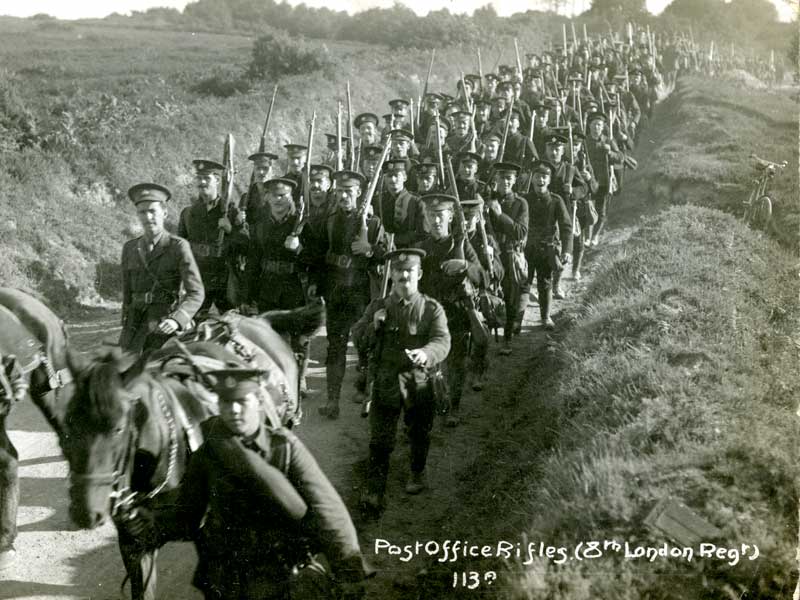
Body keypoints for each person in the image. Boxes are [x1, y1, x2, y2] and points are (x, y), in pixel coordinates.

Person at [119, 368, 372, 600]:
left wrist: (349, 571)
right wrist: (148, 524)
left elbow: (328, 510)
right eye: (226, 403)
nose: (234, 410)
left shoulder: (283, 448)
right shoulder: (207, 454)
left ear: (259, 403)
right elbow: (187, 517)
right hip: (227, 581)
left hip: (282, 578)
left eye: (242, 402)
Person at [352, 249, 451, 514]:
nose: (404, 275)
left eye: (409, 271)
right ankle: (375, 490)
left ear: (418, 274)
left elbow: (442, 341)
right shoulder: (377, 307)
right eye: (398, 271)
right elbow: (358, 339)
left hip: (417, 382)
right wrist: (373, 325)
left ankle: (417, 472)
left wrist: (426, 353)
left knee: (419, 432)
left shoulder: (431, 308)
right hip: (385, 380)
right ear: (391, 275)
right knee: (380, 440)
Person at [317, 171, 387, 420]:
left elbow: (387, 255)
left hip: (360, 292)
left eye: (349, 191)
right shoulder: (329, 220)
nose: (343, 196)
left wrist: (369, 251)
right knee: (335, 346)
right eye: (339, 192)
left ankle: (366, 392)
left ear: (359, 193)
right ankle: (332, 400)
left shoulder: (374, 222)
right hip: (336, 292)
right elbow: (320, 254)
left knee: (365, 344)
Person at [415, 194, 483, 427]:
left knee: (456, 363)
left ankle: (452, 407)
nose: (436, 221)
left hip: (456, 311)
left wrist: (464, 265)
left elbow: (482, 275)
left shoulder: (461, 245)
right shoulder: (421, 248)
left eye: (440, 215)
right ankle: (432, 407)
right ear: (425, 219)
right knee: (428, 365)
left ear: (451, 216)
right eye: (431, 215)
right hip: (430, 314)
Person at [119, 183, 204, 355]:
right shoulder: (130, 248)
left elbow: (196, 293)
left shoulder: (178, 246)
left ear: (164, 213)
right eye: (142, 212)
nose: (148, 217)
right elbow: (127, 293)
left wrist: (177, 320)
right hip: (134, 326)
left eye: (153, 211)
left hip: (163, 325)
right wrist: (126, 320)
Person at [178, 159, 234, 318]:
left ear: (217, 180)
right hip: (198, 278)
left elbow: (245, 244)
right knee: (192, 323)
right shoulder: (188, 213)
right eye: (199, 178)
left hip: (224, 279)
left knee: (231, 323)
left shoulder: (230, 210)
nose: (202, 182)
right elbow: (181, 250)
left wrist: (230, 229)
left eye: (207, 178)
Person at [522, 160, 572, 330]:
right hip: (527, 249)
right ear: (532, 178)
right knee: (524, 283)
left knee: (545, 283)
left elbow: (566, 227)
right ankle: (517, 321)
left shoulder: (556, 201)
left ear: (549, 181)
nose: (540, 181)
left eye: (544, 177)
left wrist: (566, 250)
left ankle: (545, 318)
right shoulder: (524, 200)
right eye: (537, 177)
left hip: (546, 249)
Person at [485, 163, 528, 354]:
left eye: (509, 179)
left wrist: (500, 214)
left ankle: (507, 338)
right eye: (502, 178)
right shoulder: (487, 201)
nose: (506, 182)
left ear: (514, 181)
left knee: (511, 295)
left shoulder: (520, 203)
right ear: (496, 180)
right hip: (490, 253)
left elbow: (520, 231)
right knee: (487, 293)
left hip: (510, 253)